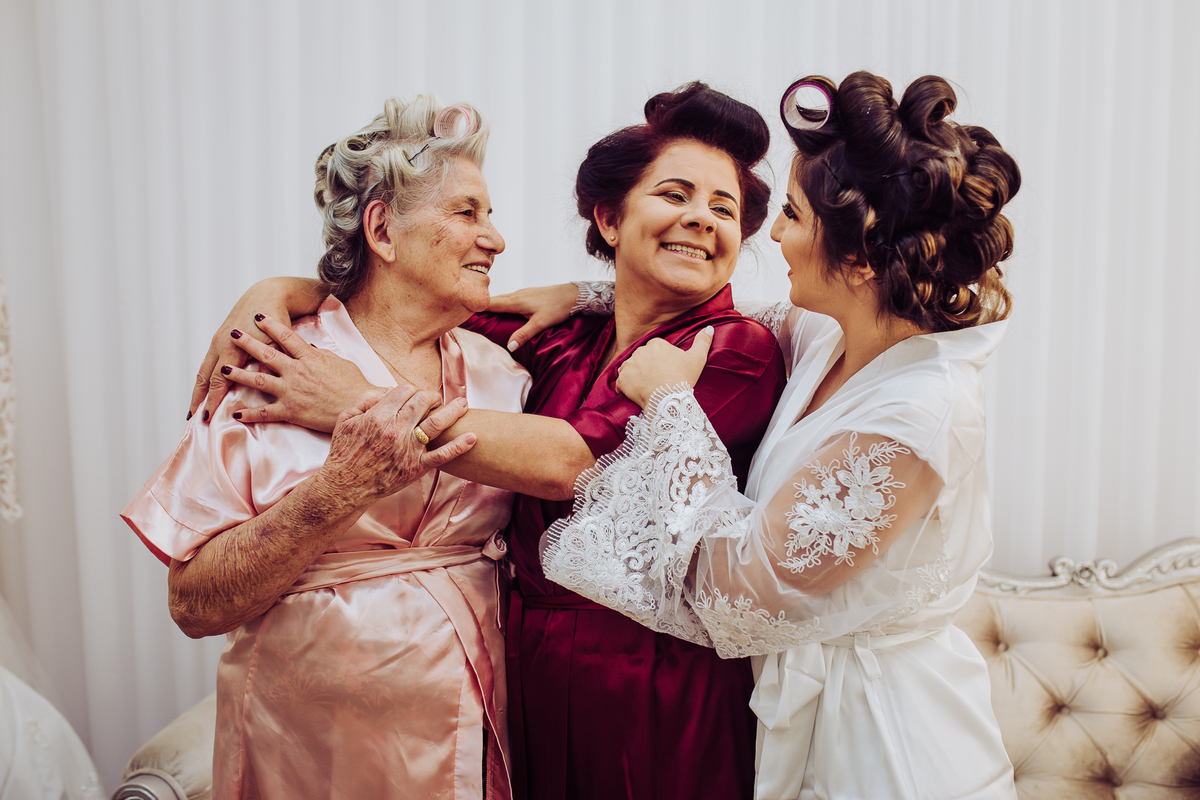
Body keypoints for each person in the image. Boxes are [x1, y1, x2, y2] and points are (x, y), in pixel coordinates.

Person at [189, 83, 787, 800]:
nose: (701, 219)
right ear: (609, 217)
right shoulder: (559, 337)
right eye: (676, 194)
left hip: (655, 681)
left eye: (724, 209)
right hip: (524, 673)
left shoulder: (736, 349)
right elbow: (402, 299)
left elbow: (572, 460)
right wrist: (276, 291)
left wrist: (357, 403)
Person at [539, 72, 1021, 799]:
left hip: (881, 735)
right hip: (793, 707)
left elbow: (745, 593)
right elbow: (719, 309)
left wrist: (670, 405)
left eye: (792, 214)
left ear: (860, 257)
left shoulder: (921, 413)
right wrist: (582, 295)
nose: (772, 234)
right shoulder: (830, 336)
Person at [122, 96, 535, 800]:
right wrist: (338, 490)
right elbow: (193, 604)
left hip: (476, 742)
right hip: (308, 758)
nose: (495, 238)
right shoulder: (268, 367)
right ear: (383, 229)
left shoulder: (509, 374)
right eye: (468, 213)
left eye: (490, 214)